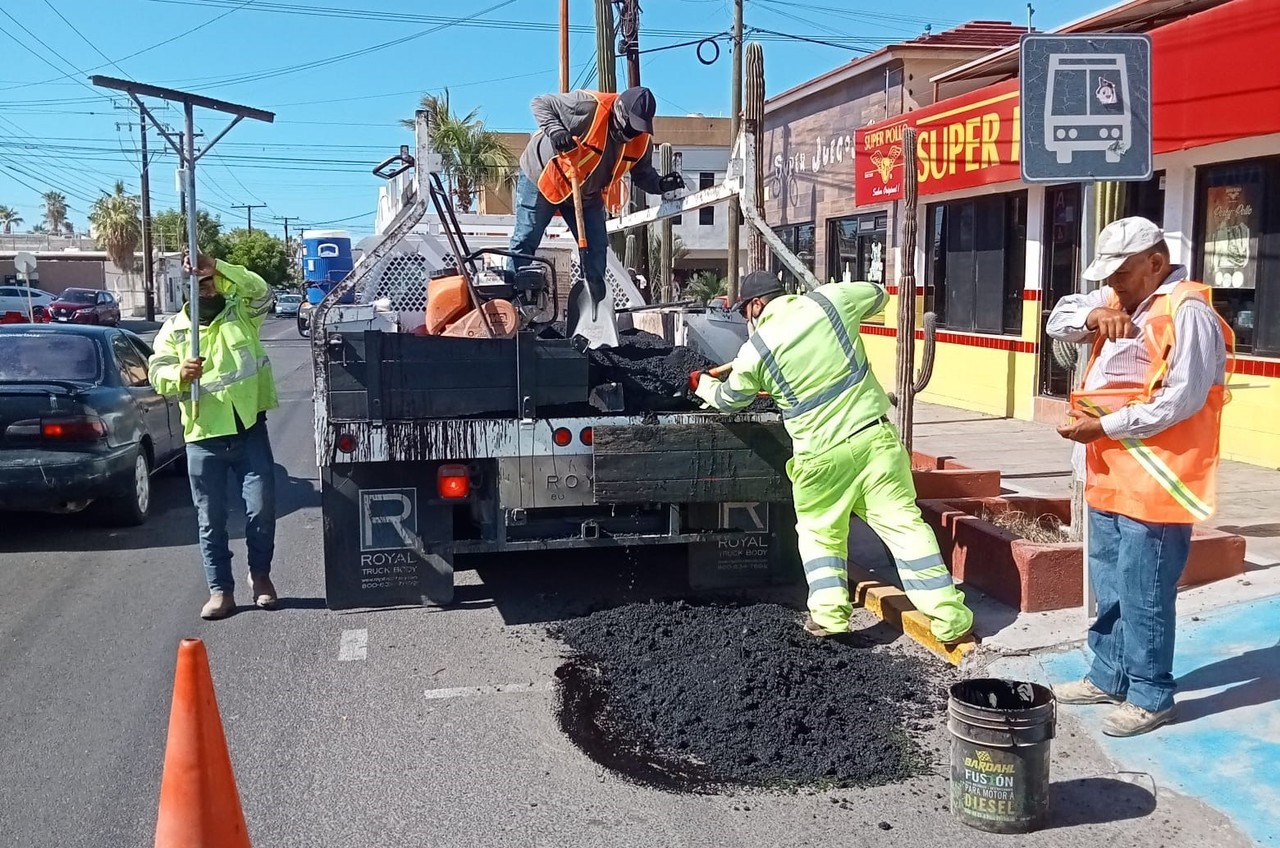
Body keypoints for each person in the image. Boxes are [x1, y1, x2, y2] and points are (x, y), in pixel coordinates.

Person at [690, 271, 974, 644]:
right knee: (905, 526)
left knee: (821, 535)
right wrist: (827, 297)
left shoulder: (756, 350)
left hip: (820, 456)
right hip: (874, 441)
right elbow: (876, 295)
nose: (748, 320)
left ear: (757, 304)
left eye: (746, 311)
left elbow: (732, 401)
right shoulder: (829, 302)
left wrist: (705, 385)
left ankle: (830, 618)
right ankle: (950, 619)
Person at [1047, 217, 1232, 737]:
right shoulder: (1124, 301)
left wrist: (1103, 425)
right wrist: (1097, 310)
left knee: (1145, 589)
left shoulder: (1187, 310)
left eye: (1122, 274)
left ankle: (1151, 693)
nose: (1114, 285)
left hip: (1158, 478)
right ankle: (1109, 673)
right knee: (1109, 582)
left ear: (1155, 263)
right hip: (1110, 472)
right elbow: (1058, 320)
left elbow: (1182, 399)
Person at [148, 253, 280, 620]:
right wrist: (180, 373)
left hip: (249, 429)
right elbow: (156, 372)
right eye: (198, 285)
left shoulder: (243, 314)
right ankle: (221, 590)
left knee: (261, 509)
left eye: (209, 282)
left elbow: (260, 289)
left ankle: (261, 577)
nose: (206, 289)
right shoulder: (175, 330)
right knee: (211, 519)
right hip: (204, 436)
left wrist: (218, 265)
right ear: (186, 293)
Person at [510, 86, 685, 341]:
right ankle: (514, 309)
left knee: (597, 248)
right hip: (545, 177)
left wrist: (660, 185)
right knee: (526, 239)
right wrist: (557, 130)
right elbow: (539, 102)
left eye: (637, 128)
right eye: (629, 126)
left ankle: (593, 316)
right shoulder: (587, 107)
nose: (631, 133)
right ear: (619, 111)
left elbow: (642, 175)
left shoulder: (640, 139)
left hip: (587, 192)